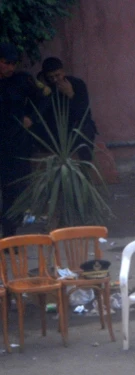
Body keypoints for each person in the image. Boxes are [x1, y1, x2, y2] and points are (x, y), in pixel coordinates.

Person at [0, 42, 49, 238]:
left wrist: (32, 117)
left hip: (17, 145)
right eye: (6, 63)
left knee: (15, 191)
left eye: (13, 64)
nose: (10, 68)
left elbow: (45, 96)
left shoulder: (22, 80)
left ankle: (10, 236)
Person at [40, 56, 97, 160]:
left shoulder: (77, 84)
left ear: (63, 72)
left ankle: (85, 169)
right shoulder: (45, 88)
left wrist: (70, 94)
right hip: (55, 131)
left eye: (57, 75)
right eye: (51, 77)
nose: (55, 80)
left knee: (87, 128)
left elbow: (84, 113)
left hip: (74, 128)